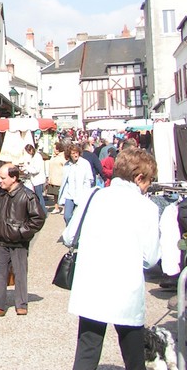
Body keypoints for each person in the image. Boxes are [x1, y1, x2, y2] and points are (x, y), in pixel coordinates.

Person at [64, 148, 160, 370]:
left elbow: (69, 236)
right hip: (125, 290)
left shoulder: (93, 196)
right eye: (149, 181)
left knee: (87, 350)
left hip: (91, 285)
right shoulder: (147, 207)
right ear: (139, 178)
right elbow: (151, 257)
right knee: (134, 355)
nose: (148, 187)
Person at [0, 163, 46, 318]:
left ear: (14, 178)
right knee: (0, 274)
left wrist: (21, 232)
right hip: (1, 241)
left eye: (3, 178)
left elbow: (38, 218)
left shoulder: (27, 195)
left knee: (20, 273)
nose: (0, 181)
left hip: (18, 242)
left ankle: (21, 304)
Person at [58, 143, 94, 225]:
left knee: (80, 217)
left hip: (81, 194)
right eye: (73, 153)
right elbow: (65, 181)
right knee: (67, 216)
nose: (75, 155)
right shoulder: (67, 165)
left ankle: (76, 233)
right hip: (69, 194)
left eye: (76, 153)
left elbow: (89, 179)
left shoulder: (85, 163)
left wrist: (86, 192)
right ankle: (70, 231)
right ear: (69, 154)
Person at [21, 143, 47, 216]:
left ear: (32, 149)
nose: (29, 153)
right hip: (35, 180)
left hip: (38, 180)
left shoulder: (37, 157)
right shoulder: (33, 157)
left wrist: (27, 168)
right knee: (38, 196)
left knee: (39, 197)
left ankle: (43, 212)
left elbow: (36, 170)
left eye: (29, 151)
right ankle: (41, 211)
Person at [47, 141, 66, 215]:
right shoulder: (53, 156)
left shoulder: (63, 156)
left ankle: (64, 208)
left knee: (62, 194)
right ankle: (56, 208)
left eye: (55, 148)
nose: (54, 150)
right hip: (53, 178)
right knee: (55, 195)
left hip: (60, 178)